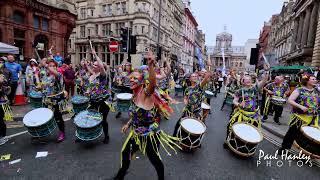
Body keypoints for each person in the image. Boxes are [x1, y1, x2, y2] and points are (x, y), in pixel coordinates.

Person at [113, 51, 179, 180]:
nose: (132, 80)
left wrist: (151, 66)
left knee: (155, 160)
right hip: (136, 133)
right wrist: (128, 123)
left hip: (149, 135)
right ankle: (120, 176)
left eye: (135, 78)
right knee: (125, 153)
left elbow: (153, 84)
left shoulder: (146, 93)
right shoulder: (135, 94)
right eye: (131, 77)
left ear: (142, 81)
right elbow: (137, 114)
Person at [223, 70, 269, 148]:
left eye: (249, 79)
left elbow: (264, 81)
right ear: (242, 82)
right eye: (246, 79)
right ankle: (228, 141)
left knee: (252, 131)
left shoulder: (255, 89)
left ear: (251, 81)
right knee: (230, 126)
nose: (248, 80)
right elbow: (234, 100)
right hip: (242, 113)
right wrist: (239, 104)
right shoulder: (239, 91)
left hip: (253, 115)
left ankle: (249, 145)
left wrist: (267, 72)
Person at [279, 74, 319, 152]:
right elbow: (290, 100)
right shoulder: (299, 90)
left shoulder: (317, 90)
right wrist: (301, 107)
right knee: (292, 134)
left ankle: (304, 154)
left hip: (312, 118)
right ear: (307, 81)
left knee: (307, 137)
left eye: (315, 79)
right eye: (313, 79)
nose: (315, 80)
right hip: (299, 117)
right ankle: (284, 149)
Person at [82, 50, 111, 144]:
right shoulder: (92, 76)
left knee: (103, 120)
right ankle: (88, 134)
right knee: (88, 117)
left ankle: (106, 136)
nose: (93, 66)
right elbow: (90, 88)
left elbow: (102, 66)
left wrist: (95, 54)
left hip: (103, 102)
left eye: (95, 65)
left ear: (99, 67)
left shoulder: (103, 75)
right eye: (93, 65)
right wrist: (87, 92)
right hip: (93, 100)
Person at [35, 60, 66, 142]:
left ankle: (62, 133)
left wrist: (46, 65)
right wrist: (37, 77)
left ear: (56, 67)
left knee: (58, 118)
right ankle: (43, 133)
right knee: (45, 117)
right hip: (47, 100)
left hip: (56, 100)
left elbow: (55, 73)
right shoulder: (45, 76)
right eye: (50, 65)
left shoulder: (59, 75)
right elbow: (41, 87)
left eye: (53, 66)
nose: (51, 67)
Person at [173, 71, 211, 136]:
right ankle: (174, 137)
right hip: (188, 110)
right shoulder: (187, 89)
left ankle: (196, 142)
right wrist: (185, 101)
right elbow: (185, 97)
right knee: (178, 124)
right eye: (193, 76)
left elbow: (206, 78)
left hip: (197, 112)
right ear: (190, 79)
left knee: (197, 128)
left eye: (196, 76)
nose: (195, 77)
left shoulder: (199, 86)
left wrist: (208, 70)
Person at [0, 57, 11, 145]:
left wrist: (2, 82)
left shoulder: (3, 75)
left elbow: (6, 89)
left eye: (2, 61)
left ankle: (2, 136)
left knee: (0, 119)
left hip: (1, 101)